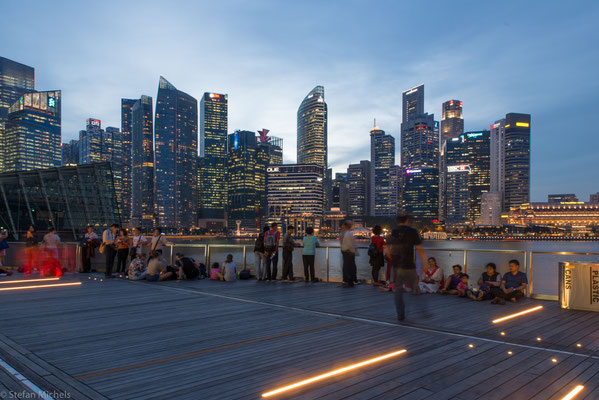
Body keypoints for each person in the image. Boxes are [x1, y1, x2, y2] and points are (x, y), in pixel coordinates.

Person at [386, 214, 427, 322]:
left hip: (397, 266)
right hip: (409, 265)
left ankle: (400, 313)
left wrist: (390, 256)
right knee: (415, 287)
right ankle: (422, 310)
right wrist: (425, 264)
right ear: (407, 220)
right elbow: (420, 249)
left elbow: (387, 247)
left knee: (398, 290)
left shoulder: (394, 231)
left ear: (397, 220)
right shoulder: (413, 232)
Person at [341, 221, 359, 288]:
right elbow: (351, 243)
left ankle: (346, 280)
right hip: (349, 252)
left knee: (346, 266)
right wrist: (354, 251)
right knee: (351, 267)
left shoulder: (344, 233)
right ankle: (351, 281)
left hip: (344, 251)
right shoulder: (350, 233)